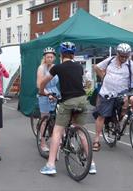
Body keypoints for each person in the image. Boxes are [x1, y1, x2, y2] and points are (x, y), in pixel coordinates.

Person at [39, 42, 96, 175]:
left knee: (57, 132)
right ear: (73, 55)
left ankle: (51, 165)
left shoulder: (57, 67)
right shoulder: (79, 67)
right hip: (82, 100)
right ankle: (91, 164)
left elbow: (43, 82)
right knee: (81, 132)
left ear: (61, 54)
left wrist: (42, 91)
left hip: (67, 101)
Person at [93, 43, 133, 153]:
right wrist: (103, 76)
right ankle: (96, 140)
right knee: (101, 116)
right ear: (117, 53)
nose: (123, 58)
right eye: (121, 56)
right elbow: (96, 67)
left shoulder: (130, 64)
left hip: (122, 92)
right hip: (107, 92)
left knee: (131, 100)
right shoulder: (110, 60)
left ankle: (119, 120)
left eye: (126, 56)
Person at [36, 47, 60, 152]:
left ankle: (61, 140)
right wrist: (47, 93)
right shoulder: (41, 68)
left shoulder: (56, 67)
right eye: (48, 57)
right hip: (44, 93)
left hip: (55, 92)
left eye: (51, 57)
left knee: (59, 118)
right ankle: (42, 143)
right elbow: (39, 84)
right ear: (44, 58)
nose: (50, 58)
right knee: (45, 119)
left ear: (54, 58)